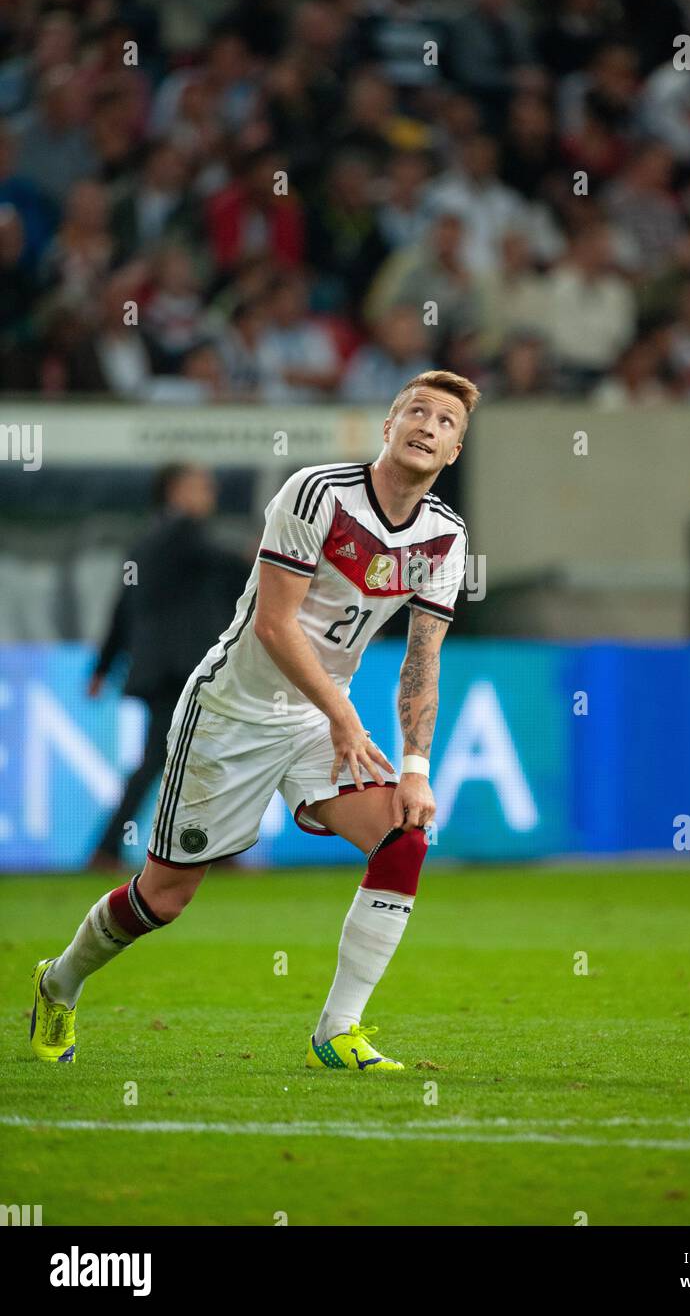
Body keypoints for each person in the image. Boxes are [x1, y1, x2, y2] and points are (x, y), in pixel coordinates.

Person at [31, 370, 479, 1072]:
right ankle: (60, 980)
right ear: (388, 427)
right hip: (231, 714)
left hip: (318, 722)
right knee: (165, 897)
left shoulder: (444, 536)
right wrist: (343, 717)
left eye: (446, 422)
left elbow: (423, 659)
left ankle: (337, 1030)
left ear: (453, 451)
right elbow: (274, 625)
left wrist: (416, 770)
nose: (428, 425)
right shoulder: (316, 492)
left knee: (404, 837)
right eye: (415, 411)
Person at [85, 464, 248, 873]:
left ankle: (116, 851)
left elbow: (122, 609)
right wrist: (266, 557)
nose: (209, 492)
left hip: (161, 670)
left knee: (181, 758)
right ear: (176, 492)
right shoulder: (183, 534)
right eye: (201, 485)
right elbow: (226, 564)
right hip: (181, 671)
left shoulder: (144, 543)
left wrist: (103, 666)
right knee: (183, 758)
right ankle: (110, 850)